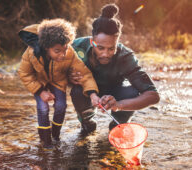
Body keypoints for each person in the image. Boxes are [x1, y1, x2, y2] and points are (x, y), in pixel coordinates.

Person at [69, 3, 160, 132]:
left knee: (132, 93)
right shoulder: (75, 47)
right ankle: (87, 122)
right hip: (86, 92)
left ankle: (117, 126)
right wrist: (68, 77)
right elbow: (52, 69)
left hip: (116, 92)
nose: (105, 54)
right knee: (77, 91)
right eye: (100, 48)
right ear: (92, 41)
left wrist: (119, 105)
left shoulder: (126, 57)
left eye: (111, 48)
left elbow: (153, 96)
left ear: (117, 42)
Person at [18, 19, 99, 149]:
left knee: (61, 106)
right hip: (39, 83)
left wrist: (93, 94)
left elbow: (85, 74)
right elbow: (24, 73)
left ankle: (55, 136)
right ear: (46, 47)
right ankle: (46, 141)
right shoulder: (31, 53)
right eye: (57, 51)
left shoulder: (70, 53)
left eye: (65, 49)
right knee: (43, 108)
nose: (62, 54)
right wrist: (40, 92)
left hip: (58, 81)